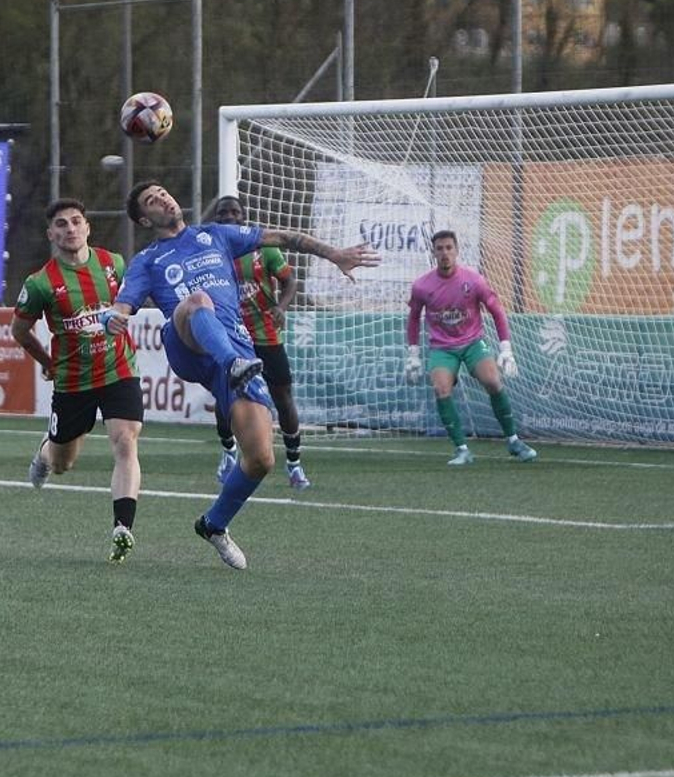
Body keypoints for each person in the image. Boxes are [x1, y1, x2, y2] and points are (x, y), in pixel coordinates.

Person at [107, 181, 380, 570]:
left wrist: (333, 253)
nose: (164, 198)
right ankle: (231, 363)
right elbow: (122, 307)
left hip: (238, 351)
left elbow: (284, 237)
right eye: (152, 200)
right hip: (187, 345)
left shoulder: (215, 235)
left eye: (164, 192)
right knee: (197, 301)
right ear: (142, 218)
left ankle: (214, 525)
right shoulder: (148, 259)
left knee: (261, 459)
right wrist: (113, 319)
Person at [12, 198, 144, 563]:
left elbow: (130, 301)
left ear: (88, 227)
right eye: (61, 224)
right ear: (51, 233)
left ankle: (122, 528)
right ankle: (45, 453)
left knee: (125, 441)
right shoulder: (40, 283)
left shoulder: (114, 264)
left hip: (119, 370)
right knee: (62, 464)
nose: (70, 229)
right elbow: (19, 331)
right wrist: (47, 362)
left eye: (76, 221)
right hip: (73, 382)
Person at [405, 229, 537, 466]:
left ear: (456, 251)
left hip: (473, 343)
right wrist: (413, 355)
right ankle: (462, 449)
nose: (445, 253)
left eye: (449, 248)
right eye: (440, 249)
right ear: (434, 253)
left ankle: (514, 441)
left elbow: (496, 311)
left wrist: (506, 349)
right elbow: (414, 317)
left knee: (494, 382)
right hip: (442, 348)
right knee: (441, 388)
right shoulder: (422, 286)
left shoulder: (473, 280)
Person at [209, 196, 310, 490]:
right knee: (225, 396)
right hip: (231, 338)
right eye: (223, 213)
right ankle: (228, 453)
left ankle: (294, 464)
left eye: (235, 212)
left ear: (243, 217)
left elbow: (290, 281)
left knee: (283, 396)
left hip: (266, 335)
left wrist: (282, 307)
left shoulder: (264, 248)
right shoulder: (211, 252)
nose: (229, 216)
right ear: (216, 219)